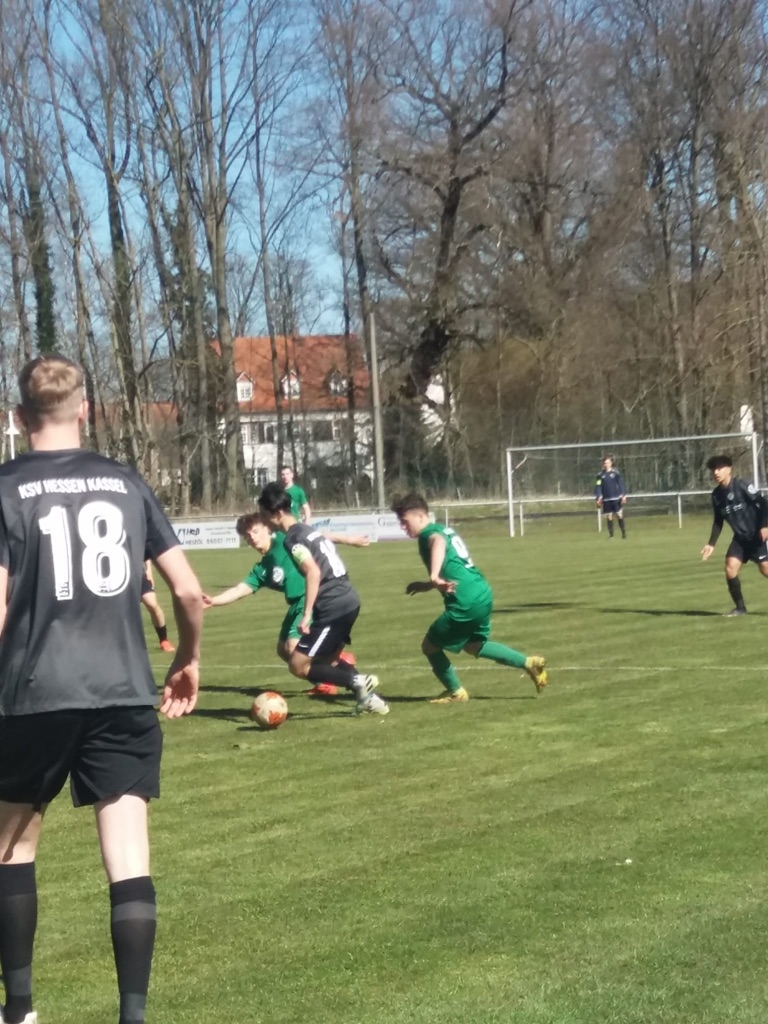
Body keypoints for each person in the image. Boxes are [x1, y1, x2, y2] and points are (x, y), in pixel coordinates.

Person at [0, 354, 203, 1024]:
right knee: (128, 859)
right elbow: (187, 591)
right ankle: (132, 1017)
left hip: (32, 693)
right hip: (122, 690)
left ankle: (20, 1011)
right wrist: (188, 658)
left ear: (19, 416)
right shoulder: (125, 482)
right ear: (85, 409)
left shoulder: (4, 487)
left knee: (12, 849)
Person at [391, 493, 548, 703]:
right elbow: (452, 565)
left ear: (420, 516)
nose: (403, 527)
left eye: (404, 521)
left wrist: (434, 576)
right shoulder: (443, 529)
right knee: (474, 645)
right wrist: (428, 584)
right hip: (481, 593)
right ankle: (529, 663)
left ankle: (456, 692)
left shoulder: (429, 534)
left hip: (464, 601)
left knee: (430, 646)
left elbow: (438, 543)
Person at [257, 482, 388, 715]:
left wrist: (306, 614)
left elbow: (313, 572)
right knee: (329, 661)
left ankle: (358, 681)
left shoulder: (292, 539)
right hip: (349, 599)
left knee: (297, 665)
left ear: (276, 513)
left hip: (332, 605)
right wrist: (349, 540)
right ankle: (369, 699)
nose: (263, 521)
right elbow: (323, 537)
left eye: (264, 515)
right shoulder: (306, 530)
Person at [203, 514, 368, 695]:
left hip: (309, 598)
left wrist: (349, 540)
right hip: (295, 604)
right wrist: (214, 601)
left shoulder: (283, 540)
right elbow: (240, 589)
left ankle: (335, 669)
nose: (252, 537)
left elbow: (316, 536)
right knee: (283, 650)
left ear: (267, 528)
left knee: (293, 647)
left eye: (255, 531)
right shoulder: (263, 568)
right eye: (247, 535)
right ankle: (328, 672)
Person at [701, 454, 768, 616]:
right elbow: (718, 521)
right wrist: (711, 544)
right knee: (730, 567)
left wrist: (765, 525)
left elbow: (764, 503)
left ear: (729, 469)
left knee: (765, 570)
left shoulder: (742, 485)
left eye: (719, 468)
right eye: (713, 469)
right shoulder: (716, 495)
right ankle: (740, 608)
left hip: (757, 536)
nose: (716, 472)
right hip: (740, 539)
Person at [141, 561, 176, 652]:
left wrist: (149, 571)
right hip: (114, 576)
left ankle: (164, 640)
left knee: (152, 604)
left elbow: (145, 554)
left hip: (137, 573)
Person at [595, 454, 627, 539]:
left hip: (616, 498)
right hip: (606, 499)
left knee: (619, 515)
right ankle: (611, 535)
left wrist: (623, 495)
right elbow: (598, 486)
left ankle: (623, 533)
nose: (606, 464)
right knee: (609, 517)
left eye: (608, 462)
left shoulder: (616, 473)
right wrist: (598, 497)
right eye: (605, 463)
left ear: (611, 463)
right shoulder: (600, 475)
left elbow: (620, 484)